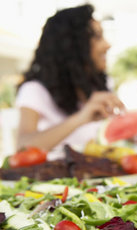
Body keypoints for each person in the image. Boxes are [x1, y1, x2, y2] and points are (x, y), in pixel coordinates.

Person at [15, 4, 124, 152]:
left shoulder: (100, 85)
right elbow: (22, 146)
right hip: (56, 174)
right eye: (97, 37)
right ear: (73, 45)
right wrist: (81, 117)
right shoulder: (35, 90)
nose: (107, 45)